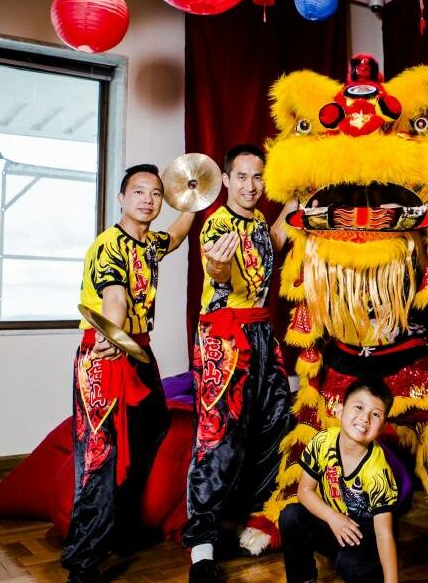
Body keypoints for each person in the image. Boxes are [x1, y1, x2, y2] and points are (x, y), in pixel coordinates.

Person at [63, 163, 196, 583]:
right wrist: (112, 332)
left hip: (139, 350)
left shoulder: (149, 243)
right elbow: (115, 296)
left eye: (156, 193)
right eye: (139, 191)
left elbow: (175, 236)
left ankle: (121, 527)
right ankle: (82, 561)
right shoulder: (109, 246)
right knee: (100, 455)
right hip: (105, 352)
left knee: (152, 424)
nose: (148, 199)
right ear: (121, 198)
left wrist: (195, 198)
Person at [184, 144, 296, 582]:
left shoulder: (259, 226)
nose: (251, 186)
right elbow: (218, 272)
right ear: (226, 179)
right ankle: (202, 547)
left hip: (263, 334)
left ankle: (256, 519)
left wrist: (298, 195)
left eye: (258, 178)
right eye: (242, 177)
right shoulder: (217, 224)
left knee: (274, 424)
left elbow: (278, 238)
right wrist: (219, 268)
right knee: (219, 439)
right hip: (225, 340)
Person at [279, 379, 399, 583]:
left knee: (351, 564)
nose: (365, 418)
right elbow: (304, 491)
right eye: (359, 407)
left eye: (376, 414)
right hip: (335, 523)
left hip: (367, 538)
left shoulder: (378, 471)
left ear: (382, 428)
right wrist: (333, 518)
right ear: (339, 410)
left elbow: (383, 533)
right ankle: (304, 579)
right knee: (291, 516)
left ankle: (369, 571)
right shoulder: (322, 441)